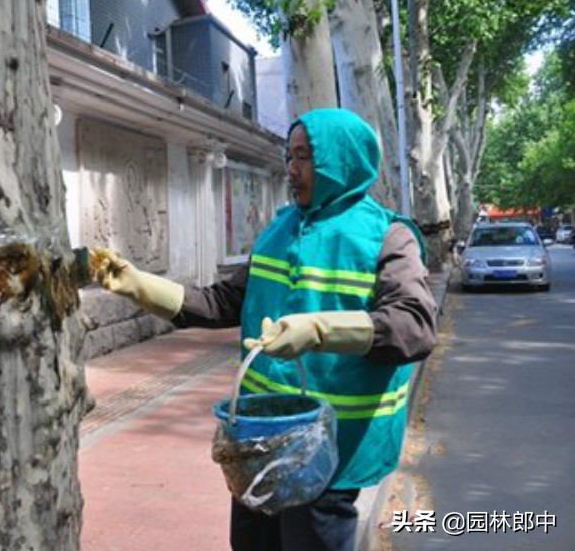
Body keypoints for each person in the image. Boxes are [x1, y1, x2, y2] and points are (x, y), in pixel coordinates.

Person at [92, 107, 438, 551]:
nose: (291, 170)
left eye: (305, 158)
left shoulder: (387, 237)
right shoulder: (279, 229)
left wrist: (319, 329)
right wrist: (139, 286)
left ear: (342, 161)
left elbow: (416, 324)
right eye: (289, 157)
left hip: (329, 449)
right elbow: (223, 302)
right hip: (260, 440)